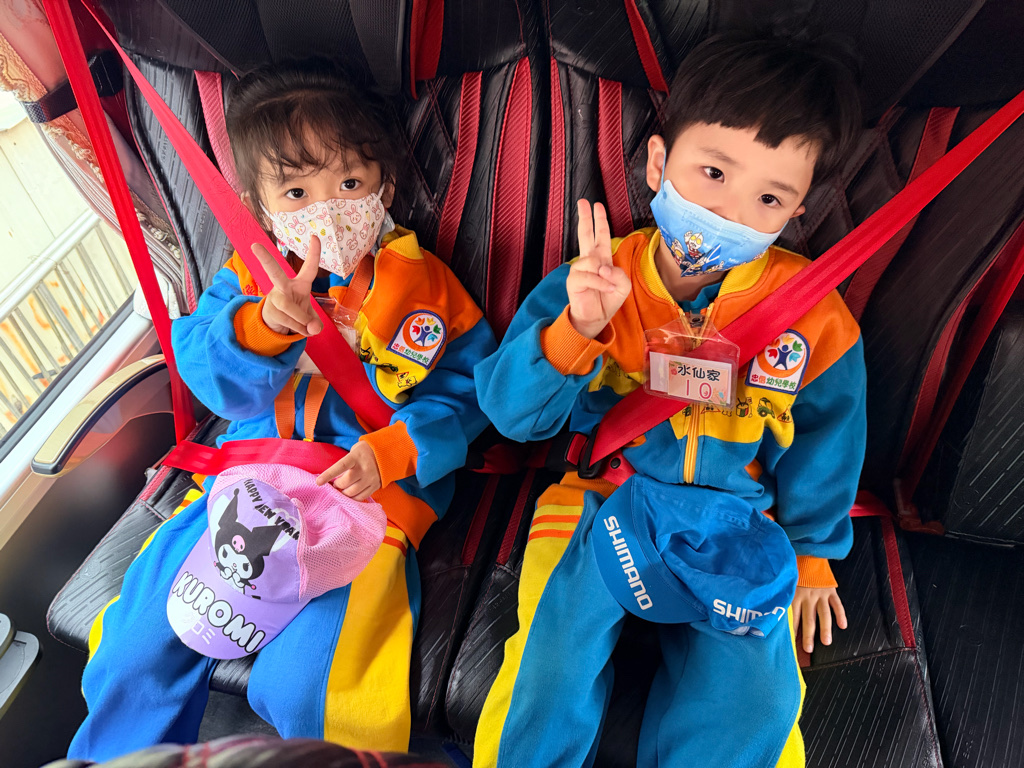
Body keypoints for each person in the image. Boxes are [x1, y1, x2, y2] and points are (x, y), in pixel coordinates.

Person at [69, 60, 496, 760]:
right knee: (135, 649)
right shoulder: (248, 274)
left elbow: (471, 391)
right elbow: (205, 369)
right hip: (244, 486)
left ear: (384, 186)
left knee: (310, 690)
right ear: (260, 206)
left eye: (349, 184)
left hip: (363, 498)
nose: (327, 210)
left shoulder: (427, 286)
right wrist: (261, 326)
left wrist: (396, 450)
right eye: (296, 192)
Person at [472, 32, 865, 768]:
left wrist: (813, 551)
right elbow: (511, 415)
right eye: (713, 172)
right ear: (659, 163)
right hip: (601, 497)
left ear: (795, 212)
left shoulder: (813, 315)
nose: (732, 212)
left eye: (769, 198)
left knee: (757, 703)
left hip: (737, 519)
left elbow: (829, 438)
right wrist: (577, 327)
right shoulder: (594, 278)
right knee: (549, 666)